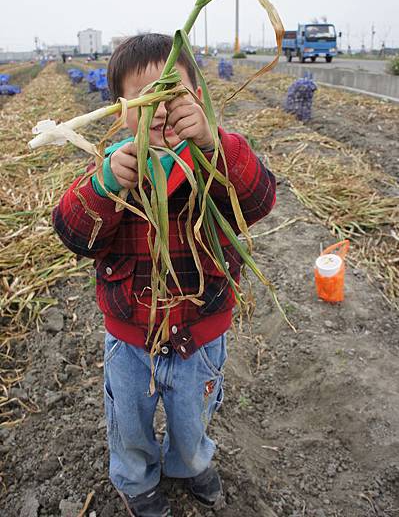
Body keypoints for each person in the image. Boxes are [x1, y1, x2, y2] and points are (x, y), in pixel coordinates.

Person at [52, 33, 276, 517]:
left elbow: (259, 201)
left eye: (174, 96)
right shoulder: (109, 171)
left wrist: (216, 145)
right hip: (131, 343)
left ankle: (190, 463)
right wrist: (106, 185)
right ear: (121, 112)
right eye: (146, 99)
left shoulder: (213, 162)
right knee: (129, 423)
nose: (162, 112)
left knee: (193, 420)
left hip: (199, 338)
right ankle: (136, 480)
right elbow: (72, 234)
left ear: (198, 100)